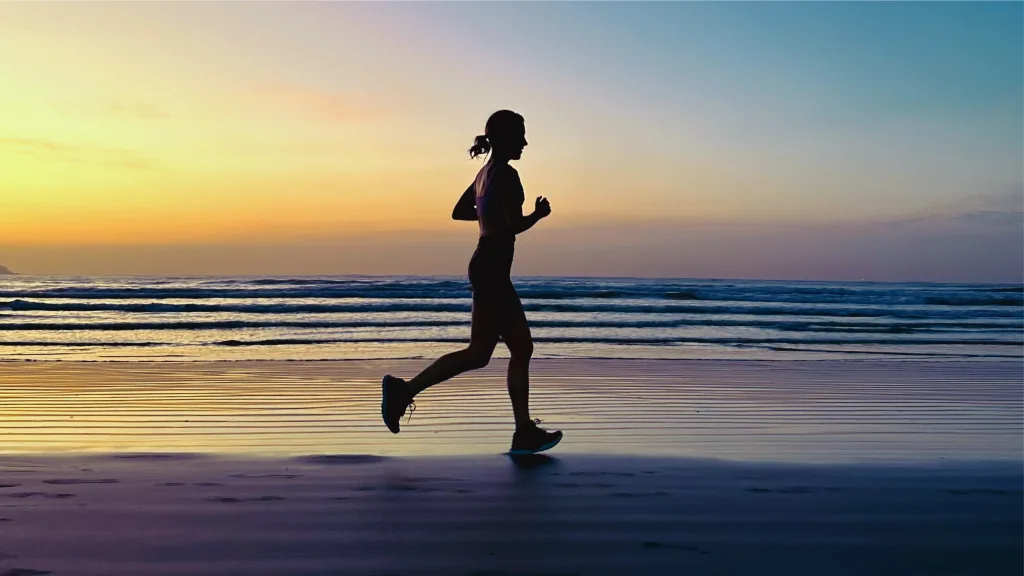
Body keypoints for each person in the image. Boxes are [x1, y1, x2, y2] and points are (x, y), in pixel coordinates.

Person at [381, 110, 563, 455]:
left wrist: (489, 213)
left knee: (519, 348)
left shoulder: (484, 174)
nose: (525, 142)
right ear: (504, 137)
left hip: (487, 266)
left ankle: (523, 430)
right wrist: (537, 216)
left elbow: (461, 210)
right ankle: (403, 392)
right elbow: (511, 228)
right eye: (520, 135)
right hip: (492, 267)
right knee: (480, 354)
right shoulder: (508, 175)